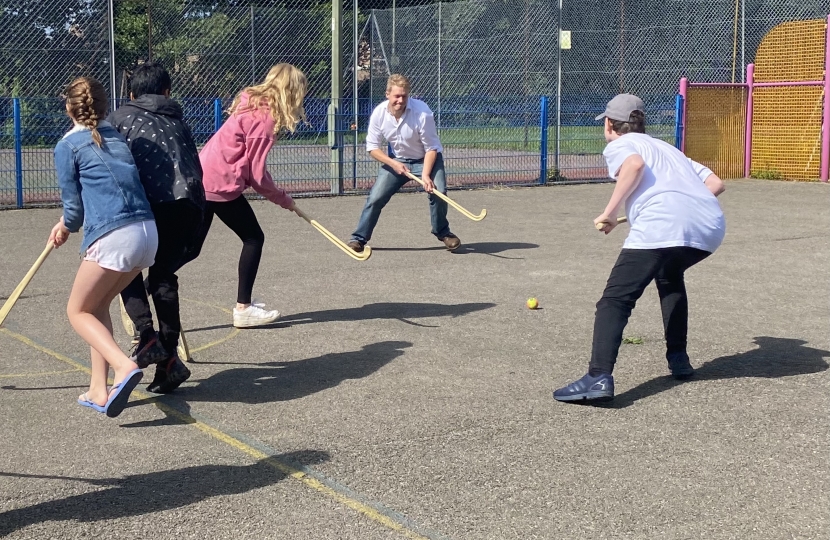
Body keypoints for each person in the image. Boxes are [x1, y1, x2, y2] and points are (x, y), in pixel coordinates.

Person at [553, 94, 726, 403]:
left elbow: (633, 166)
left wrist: (610, 212)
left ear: (609, 124)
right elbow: (715, 184)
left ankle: (598, 377)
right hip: (709, 228)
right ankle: (679, 359)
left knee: (616, 299)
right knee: (670, 276)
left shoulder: (620, 146)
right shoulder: (668, 149)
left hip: (662, 226)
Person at [49, 76, 157, 417]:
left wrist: (64, 227)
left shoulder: (68, 146)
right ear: (104, 105)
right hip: (146, 233)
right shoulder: (116, 135)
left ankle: (124, 366)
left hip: (115, 236)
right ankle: (99, 388)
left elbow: (74, 212)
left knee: (76, 311)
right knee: (97, 306)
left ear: (68, 107)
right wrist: (67, 224)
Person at [108, 62, 205, 394]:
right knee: (163, 277)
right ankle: (167, 364)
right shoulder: (179, 121)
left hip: (149, 206)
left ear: (132, 93)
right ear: (167, 92)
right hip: (188, 205)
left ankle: (148, 335)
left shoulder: (120, 118)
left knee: (124, 266)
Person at [193, 63, 304, 328]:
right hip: (220, 184)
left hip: (205, 176)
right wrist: (283, 199)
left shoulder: (251, 104)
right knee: (253, 237)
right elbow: (257, 175)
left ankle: (144, 290)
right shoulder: (264, 119)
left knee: (190, 248)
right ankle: (243, 309)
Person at [346, 74, 460, 253]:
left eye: (404, 96)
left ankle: (443, 232)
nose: (400, 100)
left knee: (439, 192)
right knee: (375, 197)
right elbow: (372, 148)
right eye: (396, 96)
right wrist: (393, 164)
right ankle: (358, 239)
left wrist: (425, 175)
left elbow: (432, 148)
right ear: (387, 94)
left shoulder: (422, 112)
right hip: (398, 161)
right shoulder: (379, 113)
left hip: (427, 159)